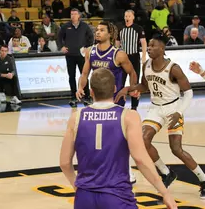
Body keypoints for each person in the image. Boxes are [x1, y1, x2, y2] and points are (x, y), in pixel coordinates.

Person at [60, 69, 177, 209]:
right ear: (115, 89)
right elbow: (140, 159)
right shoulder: (128, 116)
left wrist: (78, 187)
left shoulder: (76, 117)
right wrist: (165, 192)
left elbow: (65, 163)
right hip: (117, 196)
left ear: (91, 91)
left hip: (85, 197)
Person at [117, 35, 205, 197]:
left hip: (173, 108)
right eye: (148, 46)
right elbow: (144, 85)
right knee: (142, 140)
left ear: (162, 49)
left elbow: (189, 92)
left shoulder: (173, 68)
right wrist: (128, 88)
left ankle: (203, 179)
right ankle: (166, 173)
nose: (149, 48)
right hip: (156, 108)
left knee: (176, 149)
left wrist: (179, 111)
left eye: (152, 45)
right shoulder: (147, 65)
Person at [77, 21, 138, 183]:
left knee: (119, 138)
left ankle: (127, 169)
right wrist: (79, 87)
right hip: (97, 101)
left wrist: (129, 89)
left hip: (115, 101)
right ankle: (101, 168)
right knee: (99, 138)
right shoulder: (91, 51)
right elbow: (84, 74)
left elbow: (132, 73)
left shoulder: (119, 54)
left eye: (101, 30)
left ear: (110, 34)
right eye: (97, 30)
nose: (97, 33)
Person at [57, 8, 94, 107]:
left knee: (84, 76)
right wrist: (61, 47)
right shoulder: (66, 26)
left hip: (82, 56)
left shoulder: (84, 26)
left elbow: (91, 37)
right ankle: (73, 96)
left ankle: (87, 96)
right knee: (71, 77)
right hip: (70, 56)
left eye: (75, 14)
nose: (73, 16)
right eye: (71, 14)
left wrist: (87, 47)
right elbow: (59, 37)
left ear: (79, 16)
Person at [117, 10, 147, 110]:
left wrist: (143, 56)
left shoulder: (138, 28)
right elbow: (117, 43)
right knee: (120, 81)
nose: (127, 18)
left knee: (134, 82)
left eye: (129, 16)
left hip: (134, 57)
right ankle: (119, 104)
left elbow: (143, 42)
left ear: (133, 17)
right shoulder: (120, 28)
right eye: (126, 16)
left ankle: (134, 106)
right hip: (123, 57)